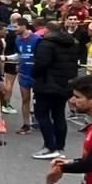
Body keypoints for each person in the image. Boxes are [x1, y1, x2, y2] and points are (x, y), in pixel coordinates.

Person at [32, 19, 83, 161]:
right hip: (65, 83)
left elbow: (40, 64)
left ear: (47, 30)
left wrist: (34, 74)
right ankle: (60, 147)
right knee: (59, 115)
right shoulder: (72, 43)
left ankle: (50, 146)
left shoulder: (46, 44)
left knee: (42, 115)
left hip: (46, 84)